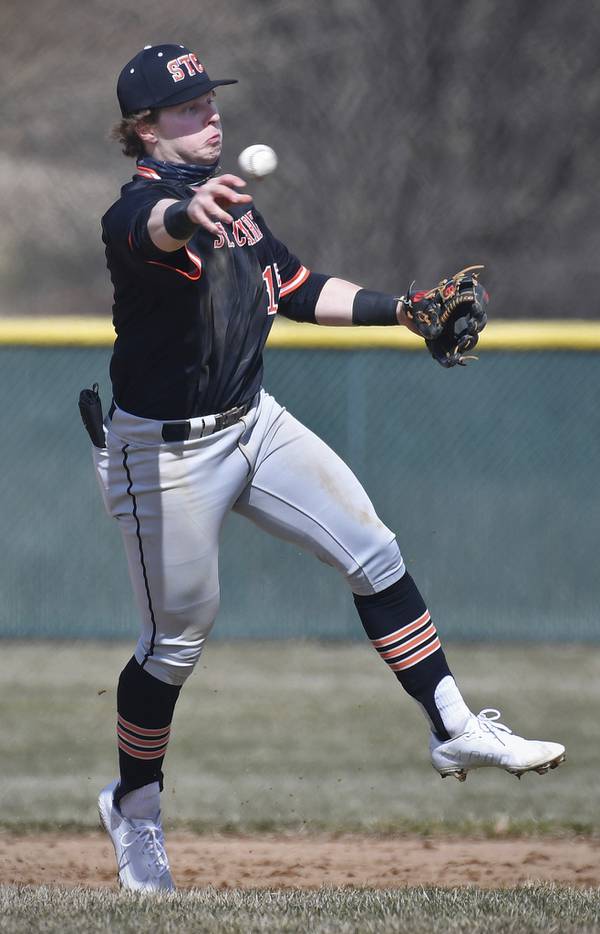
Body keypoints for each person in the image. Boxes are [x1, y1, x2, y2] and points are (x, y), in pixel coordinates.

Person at [92, 43, 565, 892]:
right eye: (190, 106)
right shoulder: (145, 215)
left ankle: (453, 723)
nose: (211, 113)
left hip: (252, 421)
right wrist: (183, 210)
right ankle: (135, 809)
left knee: (373, 550)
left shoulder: (230, 204)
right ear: (145, 128)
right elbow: (148, 229)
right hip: (165, 456)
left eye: (211, 99)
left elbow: (299, 287)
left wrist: (405, 311)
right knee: (172, 646)